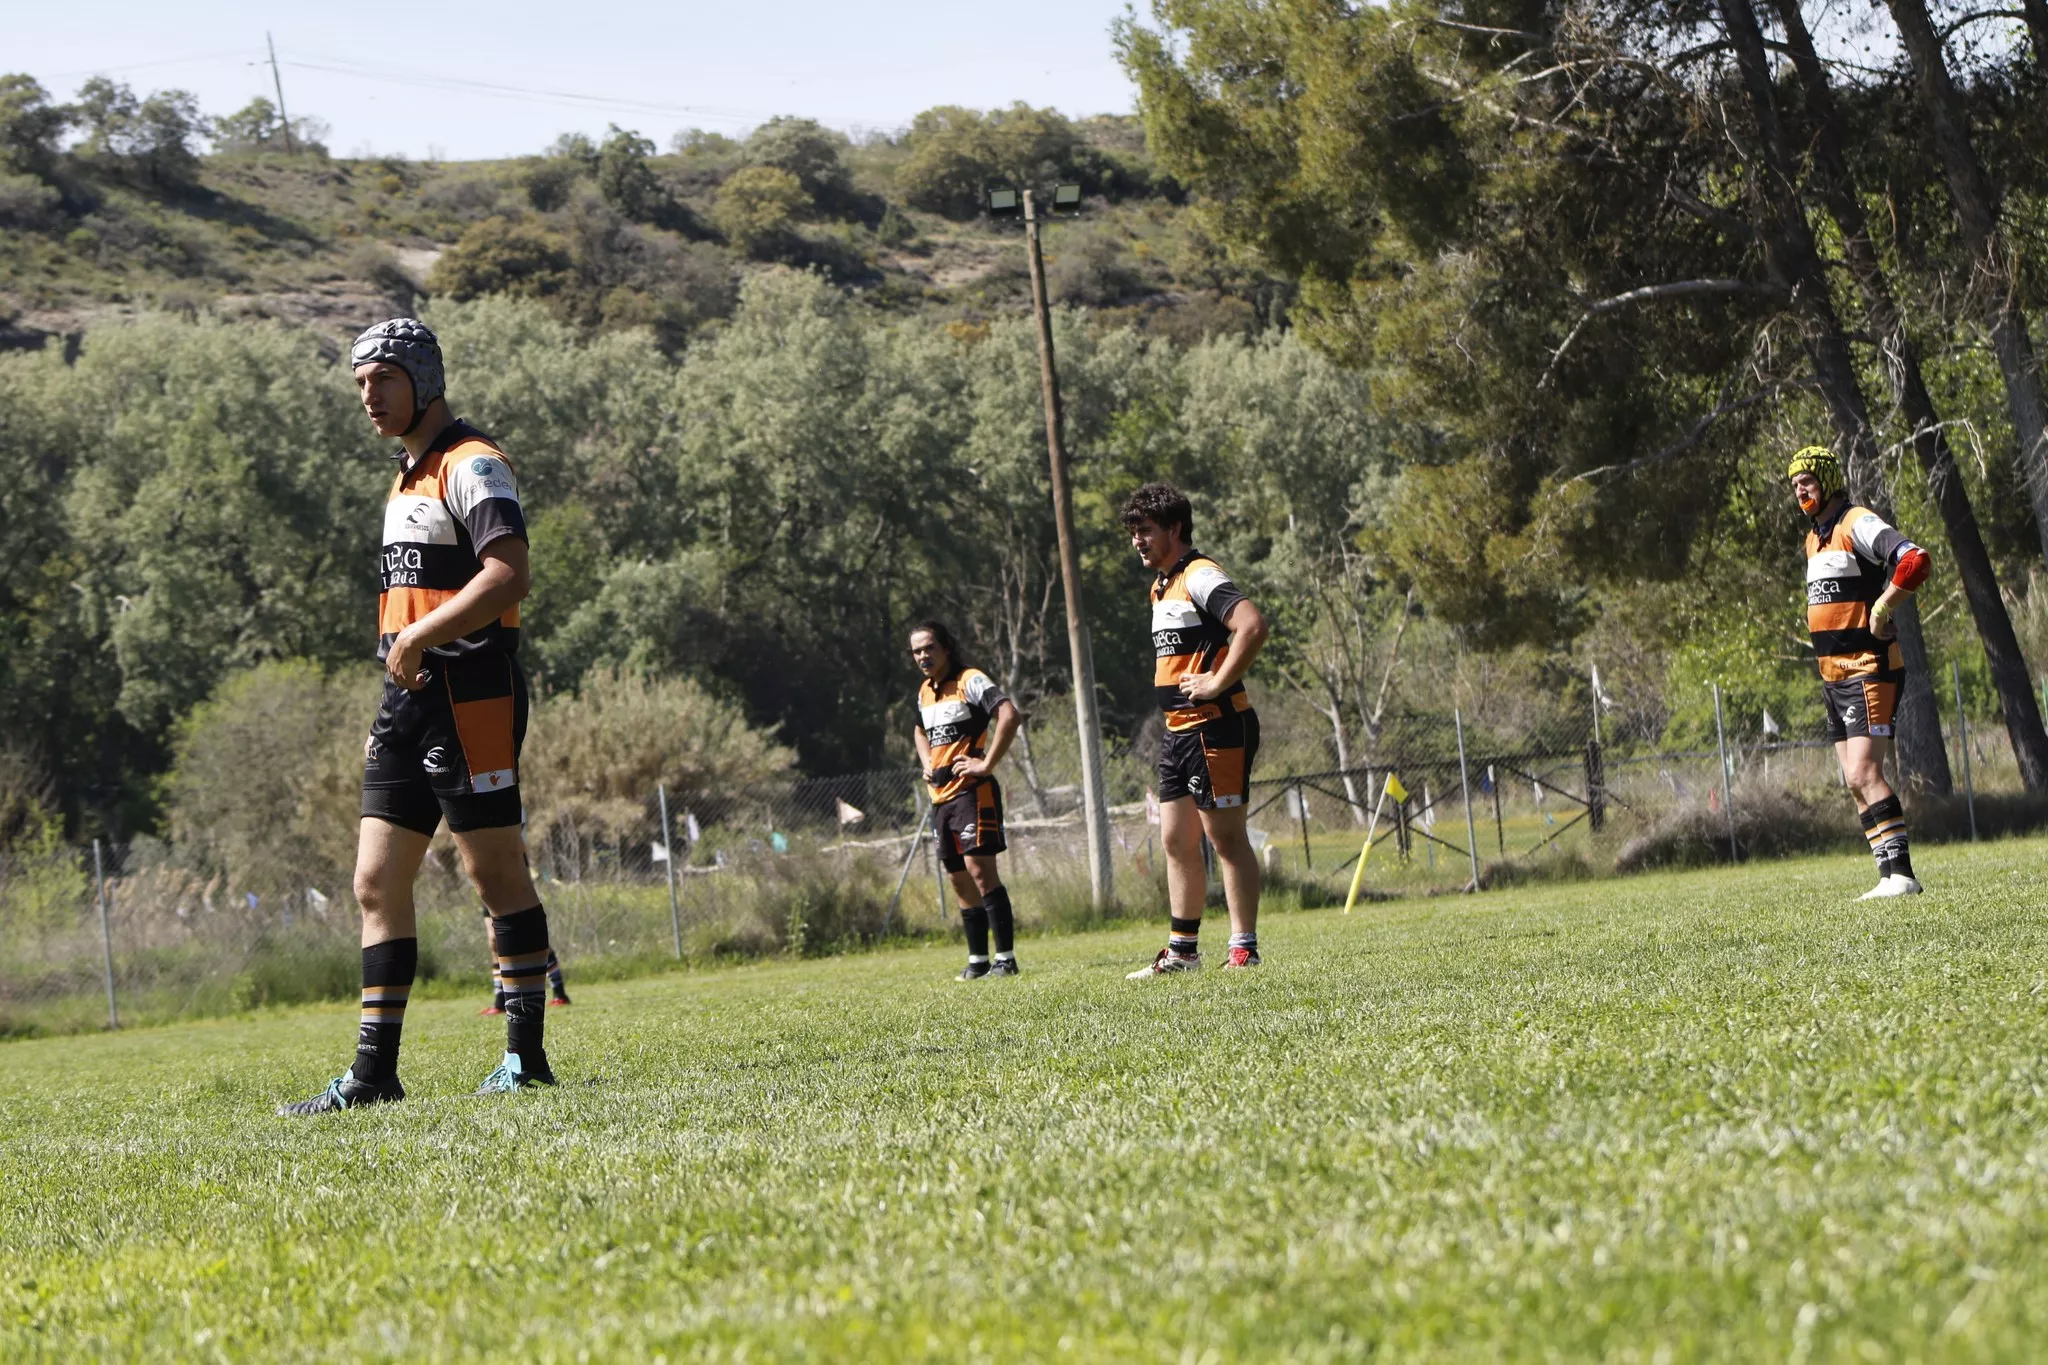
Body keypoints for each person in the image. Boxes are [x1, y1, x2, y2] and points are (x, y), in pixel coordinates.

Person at [281, 318, 557, 1115]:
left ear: (426, 379)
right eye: (361, 384)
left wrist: (423, 633)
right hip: (405, 699)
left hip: (472, 691)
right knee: (374, 881)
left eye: (385, 380)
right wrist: (407, 647)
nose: (370, 397)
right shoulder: (407, 475)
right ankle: (373, 1075)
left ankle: (525, 1058)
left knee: (493, 872)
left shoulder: (474, 464)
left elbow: (510, 574)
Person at [1119, 482, 1270, 976]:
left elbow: (1251, 625)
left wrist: (1218, 682)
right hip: (1178, 733)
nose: (1137, 541)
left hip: (1217, 728)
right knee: (1175, 840)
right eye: (1133, 533)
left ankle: (1243, 949)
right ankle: (1183, 952)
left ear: (1174, 529)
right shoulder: (1161, 585)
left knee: (1225, 840)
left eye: (1145, 531)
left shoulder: (1200, 575)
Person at [1789, 445, 1932, 899]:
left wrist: (1883, 608)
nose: (1800, 491)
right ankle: (1887, 876)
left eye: (1806, 482)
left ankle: (1903, 875)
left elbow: (1914, 560)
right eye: (1794, 486)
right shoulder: (1814, 538)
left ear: (1827, 481)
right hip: (1833, 677)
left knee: (1866, 772)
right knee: (1853, 782)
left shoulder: (1857, 522)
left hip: (1869, 668)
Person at [910, 621, 1024, 979]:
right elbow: (917, 729)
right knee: (958, 876)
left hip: (972, 791)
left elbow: (1009, 714)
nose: (923, 656)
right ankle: (978, 961)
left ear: (946, 647)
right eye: (916, 651)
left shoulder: (970, 680)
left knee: (979, 871)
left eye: (929, 648)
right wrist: (927, 762)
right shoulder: (924, 692)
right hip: (940, 798)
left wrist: (986, 763)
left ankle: (1005, 959)